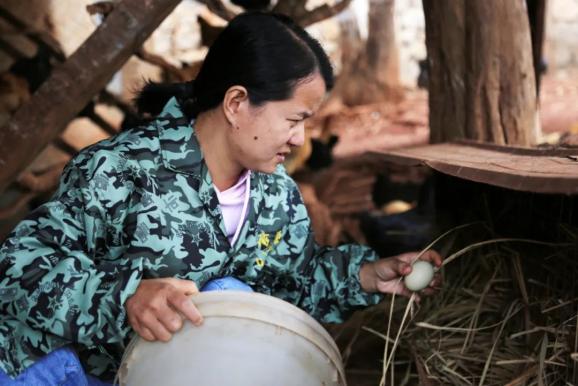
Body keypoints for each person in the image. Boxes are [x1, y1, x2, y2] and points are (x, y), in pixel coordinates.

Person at [0, 12, 442, 385]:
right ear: (236, 103)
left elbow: (287, 289)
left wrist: (366, 277)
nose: (300, 137)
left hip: (156, 375)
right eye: (293, 119)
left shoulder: (277, 195)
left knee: (229, 295)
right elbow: (18, 270)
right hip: (62, 371)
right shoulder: (122, 170)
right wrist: (126, 297)